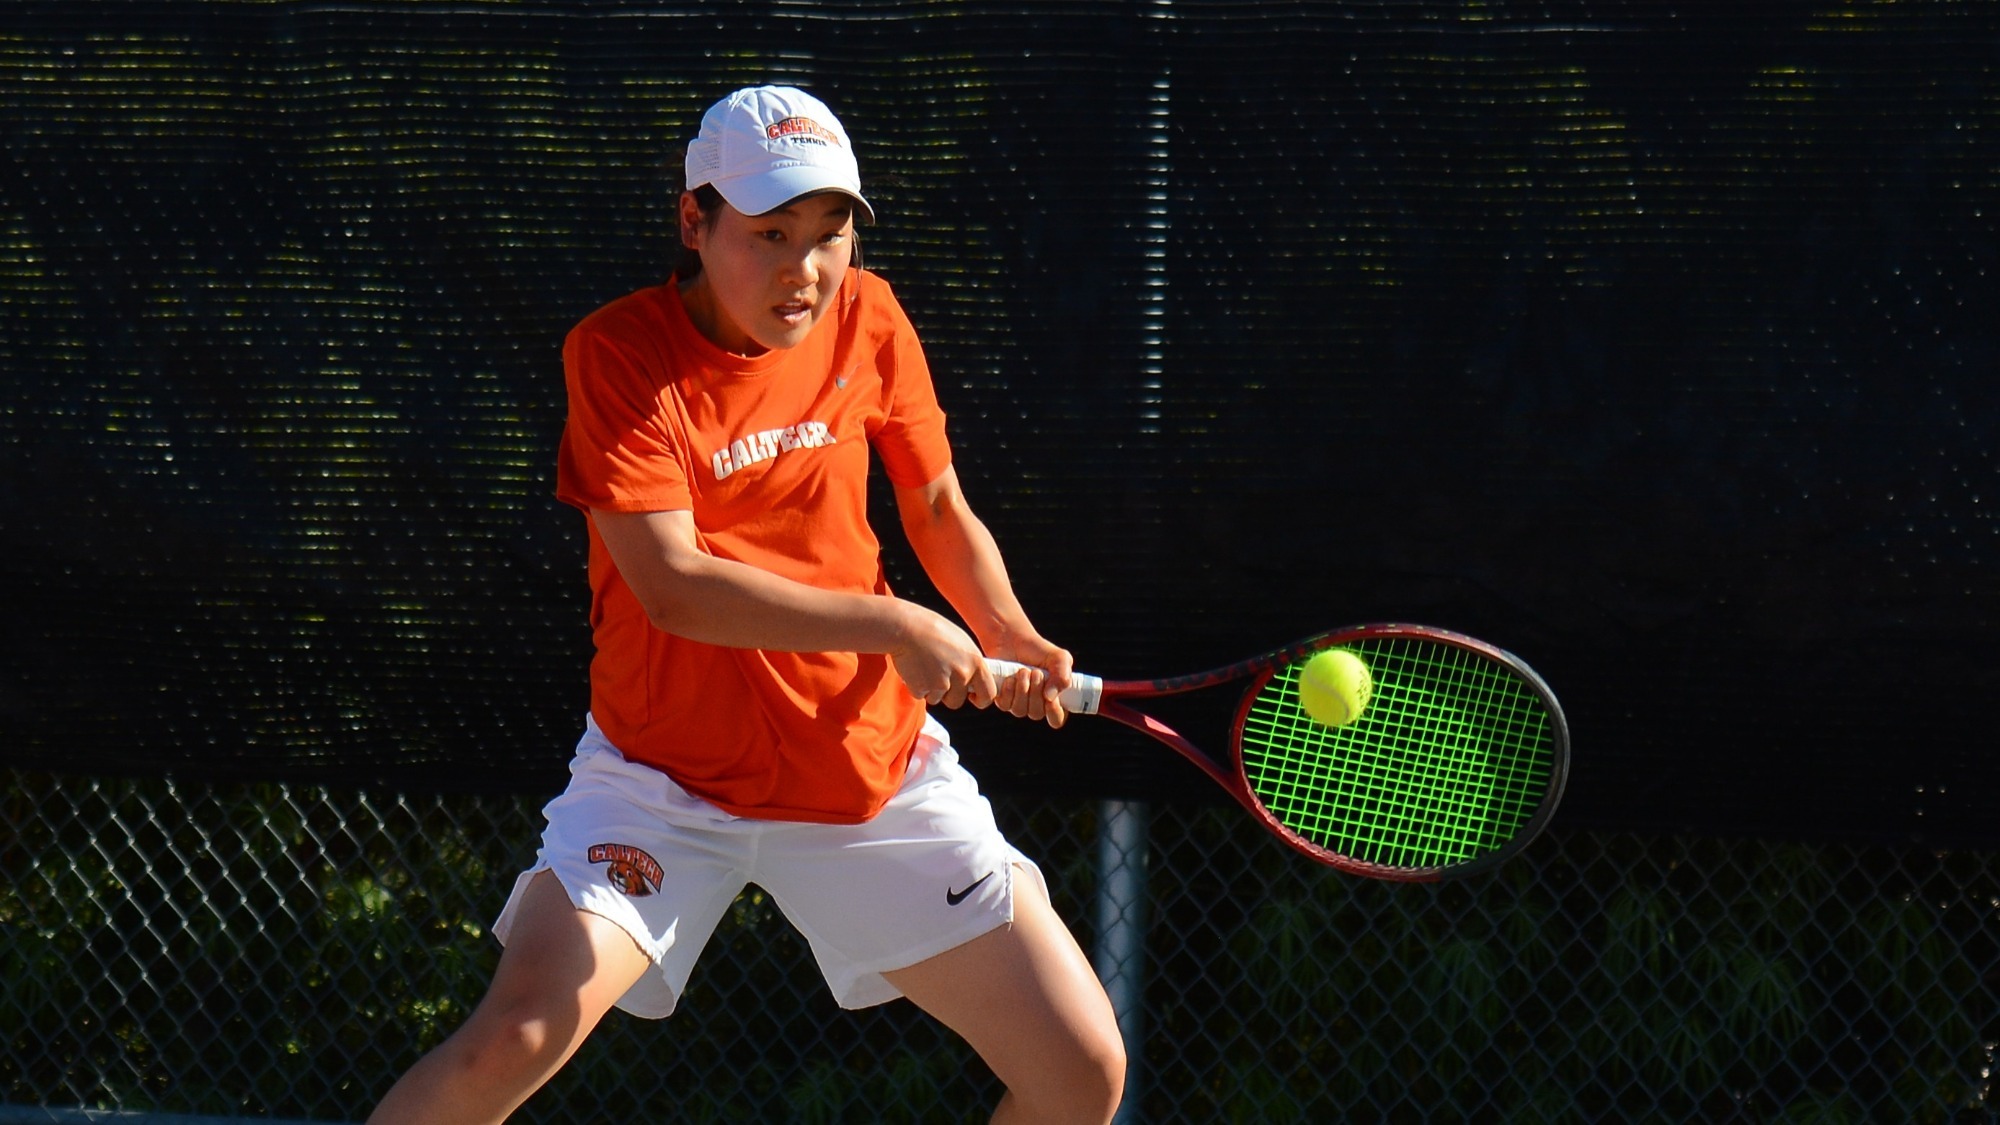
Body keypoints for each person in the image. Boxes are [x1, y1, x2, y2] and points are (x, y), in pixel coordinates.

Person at [366, 85, 1126, 1125]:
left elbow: (937, 502)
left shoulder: (869, 317)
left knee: (1080, 1069)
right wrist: (897, 626)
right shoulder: (619, 357)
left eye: (828, 234)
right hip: (661, 783)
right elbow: (674, 588)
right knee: (518, 1034)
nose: (802, 268)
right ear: (694, 220)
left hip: (866, 778)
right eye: (768, 232)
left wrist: (1001, 627)